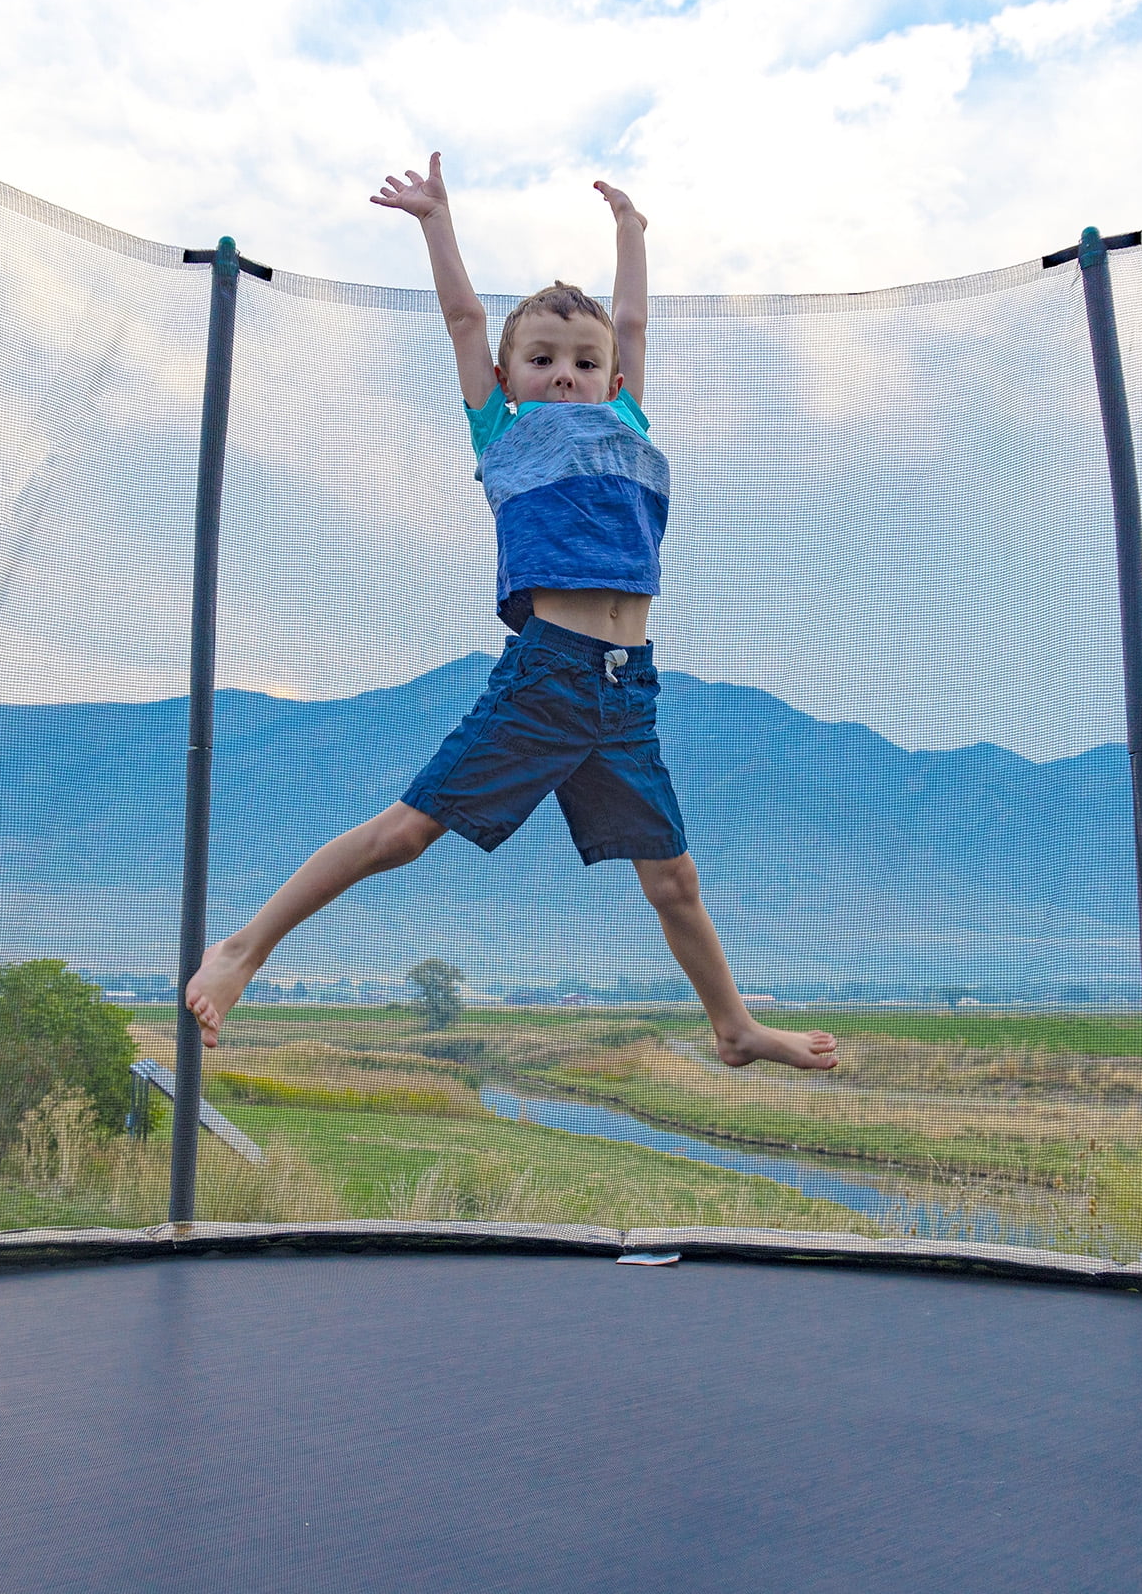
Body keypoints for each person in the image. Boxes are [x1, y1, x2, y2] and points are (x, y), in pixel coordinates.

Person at [186, 153, 837, 1072]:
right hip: (549, 676)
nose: (563, 376)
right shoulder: (504, 426)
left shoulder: (631, 420)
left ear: (610, 377)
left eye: (582, 362)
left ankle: (733, 1028)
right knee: (407, 832)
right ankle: (243, 950)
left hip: (626, 690)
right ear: (507, 371)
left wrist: (630, 232)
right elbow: (461, 315)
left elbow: (636, 320)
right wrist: (434, 221)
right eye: (541, 361)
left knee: (673, 879)